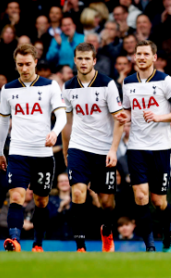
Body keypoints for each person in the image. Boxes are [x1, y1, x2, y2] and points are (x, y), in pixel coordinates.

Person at [0, 44, 66, 252]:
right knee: (16, 196)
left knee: (41, 201)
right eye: (20, 65)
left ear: (35, 62)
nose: (24, 68)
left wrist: (54, 132)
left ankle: (37, 243)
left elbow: (61, 115)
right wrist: (0, 150)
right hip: (18, 152)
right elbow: (3, 122)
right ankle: (14, 240)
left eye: (28, 64)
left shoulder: (50, 86)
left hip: (42, 154)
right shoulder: (8, 88)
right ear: (15, 64)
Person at [115, 40, 171, 252]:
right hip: (136, 147)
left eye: (146, 54)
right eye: (138, 54)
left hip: (161, 148)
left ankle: (168, 229)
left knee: (158, 201)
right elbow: (126, 110)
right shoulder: (128, 82)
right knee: (141, 196)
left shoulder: (166, 81)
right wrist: (123, 116)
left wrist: (160, 117)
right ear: (134, 57)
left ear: (154, 57)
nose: (142, 57)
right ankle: (150, 246)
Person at [62, 42, 124, 252]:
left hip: (104, 149)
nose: (83, 62)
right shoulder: (68, 87)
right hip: (79, 148)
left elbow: (119, 119)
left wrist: (113, 149)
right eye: (80, 58)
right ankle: (80, 246)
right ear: (75, 60)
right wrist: (65, 150)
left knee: (106, 202)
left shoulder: (108, 84)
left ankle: (106, 230)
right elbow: (67, 122)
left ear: (94, 60)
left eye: (87, 58)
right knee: (78, 192)